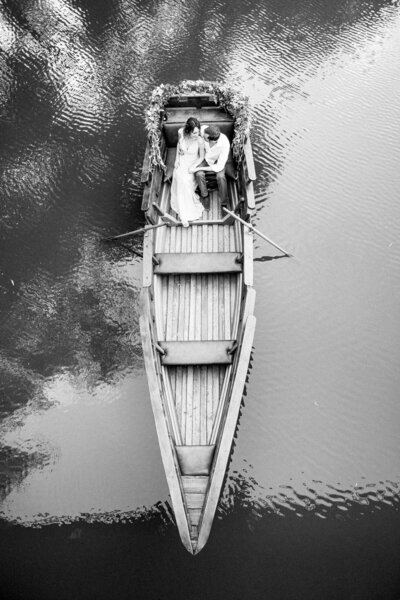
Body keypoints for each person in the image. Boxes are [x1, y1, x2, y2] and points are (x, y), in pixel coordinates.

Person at [189, 125, 236, 210]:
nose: (203, 137)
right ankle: (205, 195)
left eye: (205, 138)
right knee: (199, 174)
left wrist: (199, 168)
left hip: (218, 161)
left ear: (213, 142)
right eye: (204, 136)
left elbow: (219, 167)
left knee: (221, 177)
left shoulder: (224, 144)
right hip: (206, 158)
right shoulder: (204, 130)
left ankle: (224, 202)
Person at [170, 117, 205, 227]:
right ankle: (181, 209)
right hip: (182, 161)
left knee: (185, 181)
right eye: (194, 132)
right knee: (177, 176)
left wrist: (193, 167)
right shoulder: (181, 132)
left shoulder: (200, 141)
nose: (197, 134)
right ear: (188, 131)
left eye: (198, 132)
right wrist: (176, 160)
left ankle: (185, 214)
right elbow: (178, 146)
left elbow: (201, 157)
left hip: (192, 163)